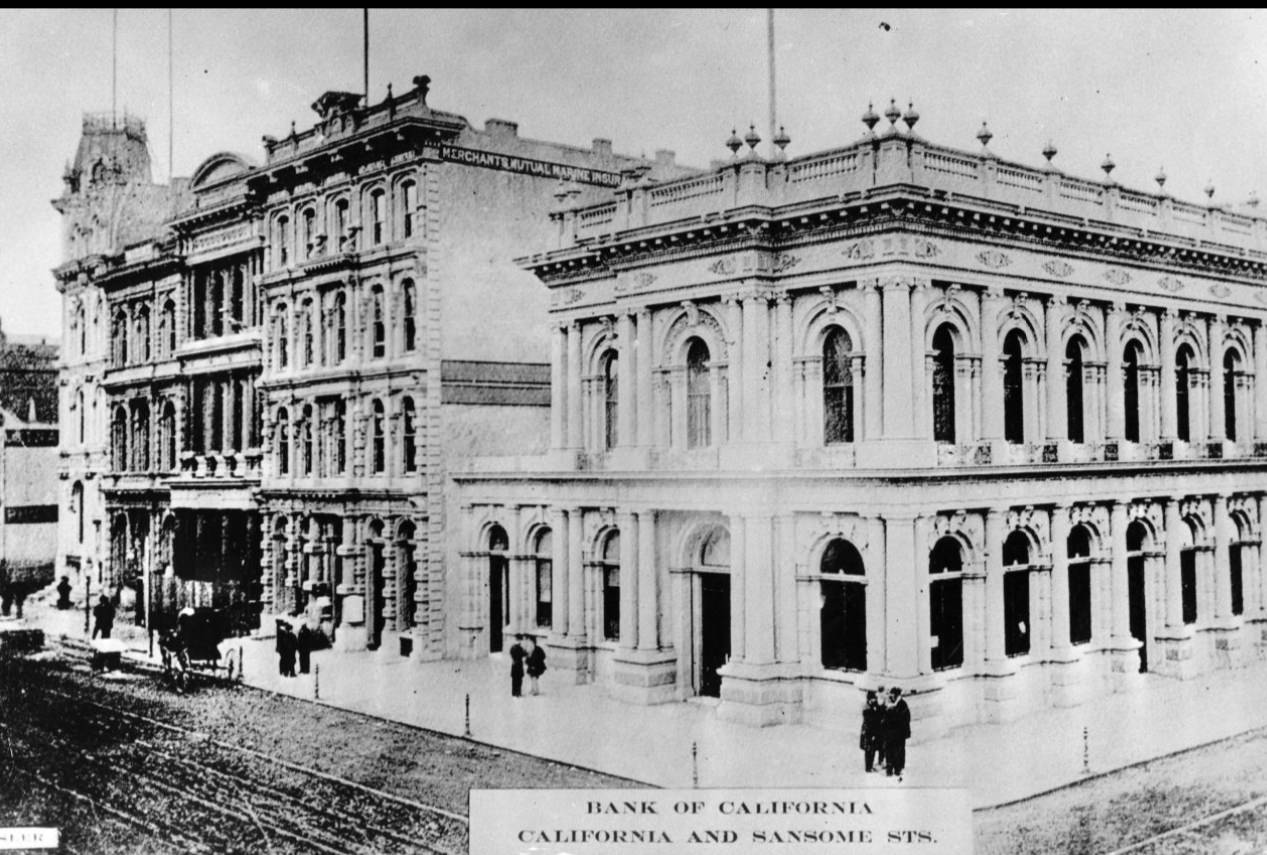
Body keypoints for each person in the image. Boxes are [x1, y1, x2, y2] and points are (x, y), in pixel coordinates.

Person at [883, 687, 911, 780]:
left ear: (897, 695)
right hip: (890, 733)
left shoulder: (902, 704)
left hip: (898, 733)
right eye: (891, 694)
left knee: (898, 751)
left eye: (893, 694)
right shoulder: (890, 703)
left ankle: (898, 768)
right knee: (889, 751)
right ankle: (889, 769)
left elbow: (904, 718)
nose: (891, 696)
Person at [860, 690, 885, 773]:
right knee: (869, 750)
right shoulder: (867, 708)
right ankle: (868, 767)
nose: (875, 700)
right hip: (869, 732)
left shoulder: (873, 706)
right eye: (873, 699)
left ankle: (870, 766)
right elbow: (870, 721)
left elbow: (879, 713)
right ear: (869, 699)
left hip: (873, 732)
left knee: (872, 750)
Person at [508, 634, 528, 698]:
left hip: (514, 664)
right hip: (519, 664)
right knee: (519, 680)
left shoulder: (512, 647)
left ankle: (513, 692)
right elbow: (524, 654)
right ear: (520, 640)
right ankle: (518, 693)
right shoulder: (520, 648)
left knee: (514, 680)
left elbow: (511, 653)